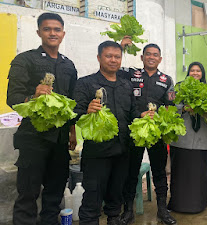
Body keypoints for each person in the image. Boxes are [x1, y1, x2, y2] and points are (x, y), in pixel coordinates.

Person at [6, 12, 77, 225]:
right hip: (33, 138)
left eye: (57, 30)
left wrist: (72, 132)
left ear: (63, 34)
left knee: (55, 192)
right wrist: (33, 96)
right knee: (28, 192)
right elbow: (13, 97)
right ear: (39, 32)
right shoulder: (25, 59)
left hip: (60, 139)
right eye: (47, 29)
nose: (52, 33)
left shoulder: (68, 65)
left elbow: (72, 102)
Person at [73, 41, 139, 225]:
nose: (113, 60)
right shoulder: (85, 84)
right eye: (108, 56)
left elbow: (133, 115)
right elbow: (73, 113)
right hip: (97, 154)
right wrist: (86, 110)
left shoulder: (126, 86)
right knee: (92, 200)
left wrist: (145, 117)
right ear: (99, 58)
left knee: (115, 199)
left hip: (122, 152)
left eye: (117, 57)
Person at [118, 38, 176, 225]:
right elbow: (113, 67)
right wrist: (121, 47)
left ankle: (162, 210)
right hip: (134, 131)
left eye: (155, 55)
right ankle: (128, 211)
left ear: (160, 59)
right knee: (130, 171)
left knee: (159, 172)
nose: (151, 57)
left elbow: (171, 106)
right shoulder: (131, 74)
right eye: (148, 54)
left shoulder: (166, 80)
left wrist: (163, 120)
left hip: (156, 133)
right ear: (142, 57)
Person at [168, 62, 207, 213]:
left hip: (201, 137)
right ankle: (178, 204)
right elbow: (170, 105)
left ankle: (198, 204)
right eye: (192, 70)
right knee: (180, 171)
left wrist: (205, 110)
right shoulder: (178, 87)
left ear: (202, 73)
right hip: (182, 136)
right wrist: (185, 108)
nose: (195, 73)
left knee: (199, 172)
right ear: (188, 73)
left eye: (198, 70)